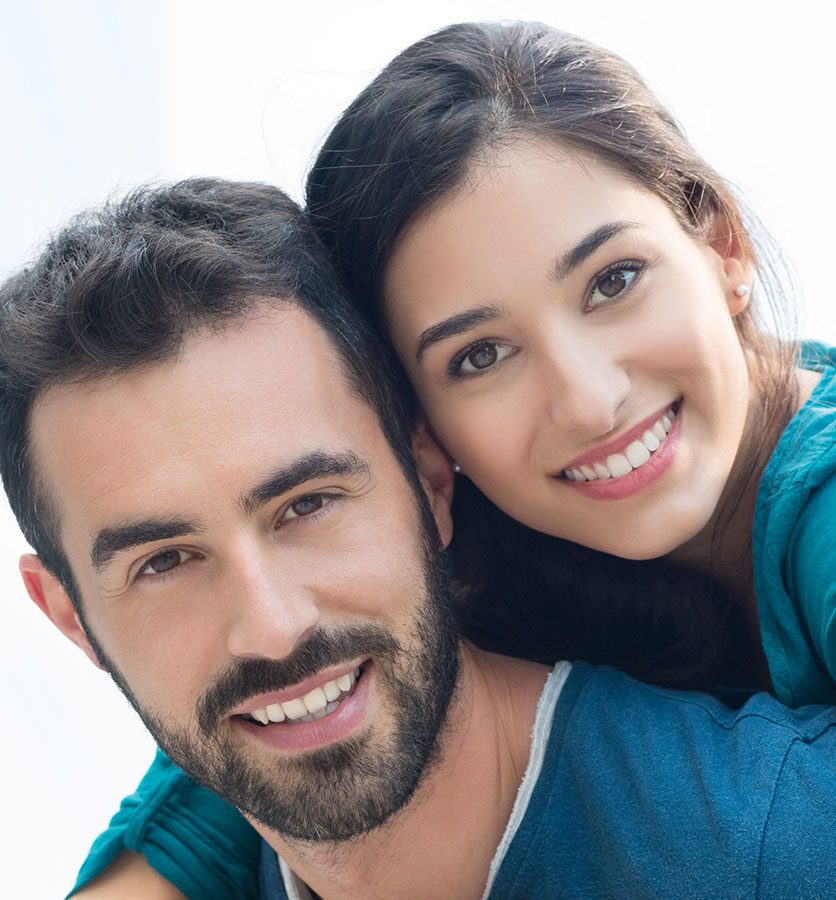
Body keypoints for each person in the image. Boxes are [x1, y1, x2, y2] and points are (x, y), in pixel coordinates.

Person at [0, 179, 836, 900]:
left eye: (308, 505)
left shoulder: (774, 850)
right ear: (71, 617)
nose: (273, 629)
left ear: (432, 479)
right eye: (165, 561)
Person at [303, 20, 836, 710]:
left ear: (723, 247)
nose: (589, 402)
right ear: (421, 427)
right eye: (481, 356)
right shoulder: (478, 567)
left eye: (614, 282)